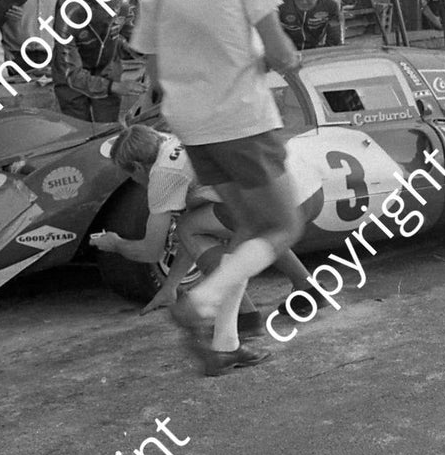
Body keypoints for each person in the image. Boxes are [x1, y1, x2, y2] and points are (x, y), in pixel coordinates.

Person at [131, 0, 304, 377]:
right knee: (284, 225)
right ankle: (198, 305)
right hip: (243, 117)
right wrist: (283, 58)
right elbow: (279, 52)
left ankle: (225, 344)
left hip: (192, 127)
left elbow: (155, 70)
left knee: (247, 229)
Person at [98, 124, 320, 326]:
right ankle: (309, 289)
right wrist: (170, 286)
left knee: (191, 226)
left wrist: (115, 244)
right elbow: (193, 240)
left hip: (279, 200)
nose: (136, 183)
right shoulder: (172, 138)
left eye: (130, 176)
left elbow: (151, 251)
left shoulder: (163, 174)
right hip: (307, 190)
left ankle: (244, 316)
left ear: (137, 167)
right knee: (249, 226)